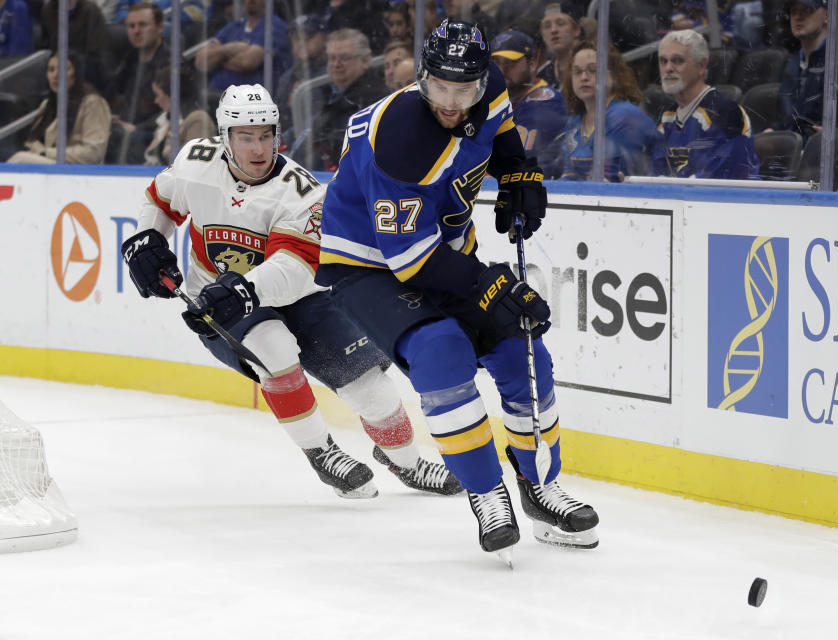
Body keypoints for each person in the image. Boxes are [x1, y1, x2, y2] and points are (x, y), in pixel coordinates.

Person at [315, 19, 599, 559]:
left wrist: (518, 172)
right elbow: (411, 262)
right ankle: (486, 490)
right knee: (439, 351)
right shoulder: (399, 141)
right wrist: (489, 283)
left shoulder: (488, 85)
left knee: (522, 346)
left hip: (440, 250)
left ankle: (540, 485)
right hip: (367, 264)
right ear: (422, 77)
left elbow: (503, 128)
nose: (450, 102)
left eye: (463, 90)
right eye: (439, 88)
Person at [120, 84, 462, 499]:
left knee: (368, 384)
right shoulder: (196, 162)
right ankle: (321, 451)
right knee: (275, 348)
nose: (259, 148)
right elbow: (159, 199)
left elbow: (293, 269)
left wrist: (243, 290)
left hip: (297, 295)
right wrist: (146, 238)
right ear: (225, 138)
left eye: (266, 134)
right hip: (218, 298)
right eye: (246, 137)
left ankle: (406, 461)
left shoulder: (299, 192)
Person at [651, 30, 758, 180]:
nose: (668, 68)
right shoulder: (667, 119)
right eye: (663, 61)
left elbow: (715, 182)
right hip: (684, 201)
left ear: (702, 65)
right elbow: (656, 177)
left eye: (678, 61)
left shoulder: (725, 113)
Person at [558, 40, 659, 181]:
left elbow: (611, 179)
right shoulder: (575, 120)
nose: (584, 77)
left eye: (593, 70)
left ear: (614, 76)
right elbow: (569, 176)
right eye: (577, 72)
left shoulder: (624, 116)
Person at [774, 0, 838, 139]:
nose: (798, 16)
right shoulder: (793, 63)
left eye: (807, 10)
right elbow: (787, 119)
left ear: (827, 15)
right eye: (793, 11)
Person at [298, 29, 386, 170]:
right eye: (332, 58)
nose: (336, 64)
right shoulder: (331, 94)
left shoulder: (373, 99)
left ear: (365, 61)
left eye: (344, 58)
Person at [7, 53, 111, 164]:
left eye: (64, 69)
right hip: (51, 165)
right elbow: (33, 142)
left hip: (78, 170)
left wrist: (46, 153)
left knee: (20, 159)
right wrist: (41, 152)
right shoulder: (47, 104)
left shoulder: (93, 103)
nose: (56, 75)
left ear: (77, 73)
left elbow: (93, 153)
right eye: (51, 70)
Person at [491, 29, 567, 177]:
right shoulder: (502, 100)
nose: (502, 69)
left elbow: (518, 163)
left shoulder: (545, 102)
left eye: (510, 63)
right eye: (497, 63)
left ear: (532, 63)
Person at [105, 2, 169, 164]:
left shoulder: (172, 64)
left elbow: (176, 110)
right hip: (125, 129)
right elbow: (113, 93)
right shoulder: (128, 59)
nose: (136, 31)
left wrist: (137, 128)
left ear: (160, 28)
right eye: (131, 26)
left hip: (153, 133)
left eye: (143, 25)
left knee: (130, 140)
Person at [193, 0, 292, 93]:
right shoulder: (235, 26)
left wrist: (218, 58)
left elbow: (247, 62)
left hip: (252, 103)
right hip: (217, 97)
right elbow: (200, 61)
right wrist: (228, 48)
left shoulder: (275, 26)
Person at [143, 66, 216, 165]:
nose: (156, 101)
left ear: (172, 94)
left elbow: (195, 162)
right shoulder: (166, 121)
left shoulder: (198, 120)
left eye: (157, 95)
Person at [275, 13, 330, 129]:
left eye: (308, 37)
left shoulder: (335, 72)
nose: (301, 44)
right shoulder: (287, 77)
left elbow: (324, 120)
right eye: (296, 38)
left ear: (325, 39)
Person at [537, 1, 584, 89]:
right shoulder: (541, 76)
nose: (553, 30)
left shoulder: (591, 66)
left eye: (560, 23)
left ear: (576, 30)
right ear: (543, 36)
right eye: (547, 26)